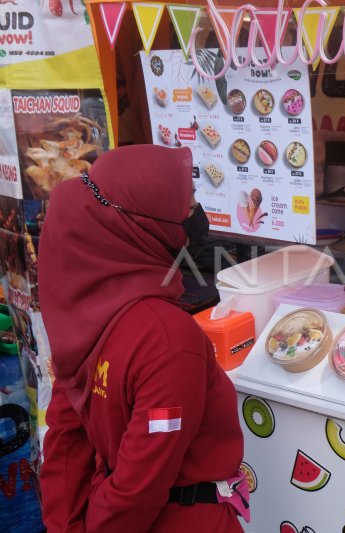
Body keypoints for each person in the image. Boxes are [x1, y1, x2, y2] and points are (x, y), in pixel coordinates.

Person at [38, 145, 247, 532]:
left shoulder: (84, 324)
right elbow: (140, 483)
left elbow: (64, 446)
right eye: (188, 208)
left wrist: (66, 526)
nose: (198, 217)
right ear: (144, 225)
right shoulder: (168, 338)